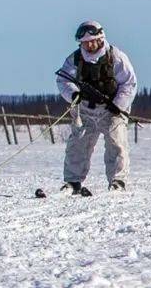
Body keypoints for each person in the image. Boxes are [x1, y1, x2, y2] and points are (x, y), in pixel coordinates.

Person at [55, 20, 138, 194]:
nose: (89, 45)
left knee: (117, 143)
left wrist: (118, 105)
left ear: (101, 38)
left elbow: (129, 83)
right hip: (85, 109)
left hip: (112, 110)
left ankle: (117, 181)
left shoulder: (116, 57)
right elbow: (63, 80)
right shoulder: (74, 59)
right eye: (85, 42)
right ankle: (73, 182)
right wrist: (73, 94)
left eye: (92, 41)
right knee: (78, 144)